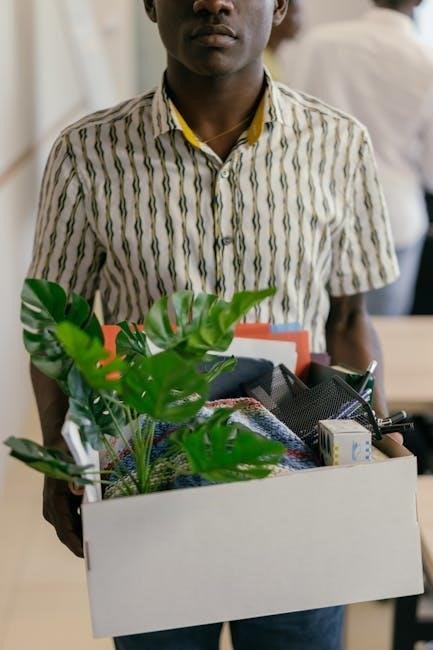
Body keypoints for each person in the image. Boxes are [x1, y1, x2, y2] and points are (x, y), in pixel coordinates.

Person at [28, 0, 401, 648]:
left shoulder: (338, 143)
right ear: (151, 4)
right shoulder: (87, 153)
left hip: (299, 488)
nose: (212, 1)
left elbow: (348, 317)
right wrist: (59, 452)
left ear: (279, 5)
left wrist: (378, 442)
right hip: (150, 494)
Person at [287, 0, 433, 316]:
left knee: (313, 329)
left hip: (318, 212)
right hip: (395, 218)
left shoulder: (319, 44)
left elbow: (288, 128)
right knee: (382, 334)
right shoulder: (426, 59)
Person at [264, 0, 302, 79]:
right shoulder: (261, 63)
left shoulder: (273, 59)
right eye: (296, 13)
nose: (300, 21)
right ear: (280, 12)